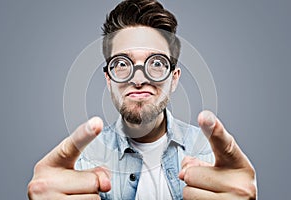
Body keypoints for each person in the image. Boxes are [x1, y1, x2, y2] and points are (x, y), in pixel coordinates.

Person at [27, 0, 257, 199]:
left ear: (174, 78)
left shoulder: (210, 155)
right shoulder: (80, 163)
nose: (138, 79)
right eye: (122, 64)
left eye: (156, 63)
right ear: (109, 79)